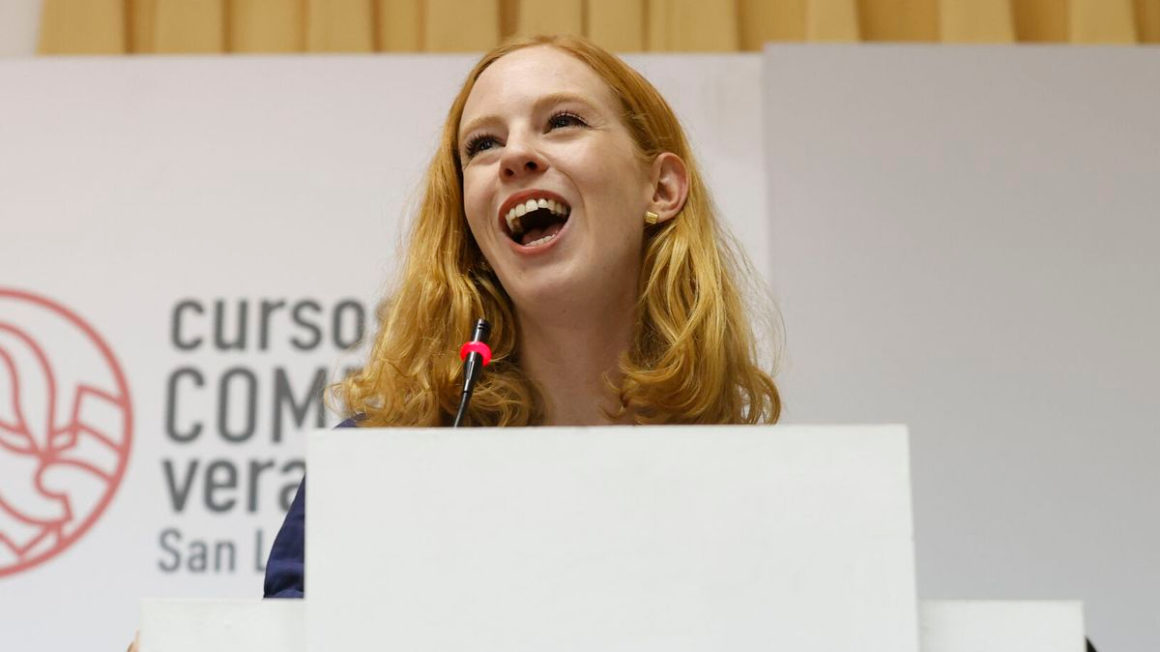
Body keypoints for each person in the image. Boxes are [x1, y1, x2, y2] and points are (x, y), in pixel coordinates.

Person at [263, 33, 782, 599]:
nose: (514, 156)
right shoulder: (372, 472)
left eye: (562, 122)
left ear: (660, 188)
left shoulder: (755, 487)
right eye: (483, 144)